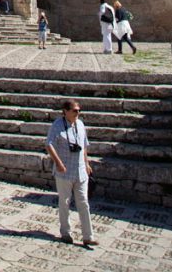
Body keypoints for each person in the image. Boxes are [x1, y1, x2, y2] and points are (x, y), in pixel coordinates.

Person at [46, 100, 98, 246]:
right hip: (64, 171)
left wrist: (87, 163)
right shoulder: (57, 125)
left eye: (79, 110)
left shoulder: (80, 124)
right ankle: (65, 232)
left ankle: (88, 236)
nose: (78, 113)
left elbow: (84, 145)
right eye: (75, 110)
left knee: (83, 202)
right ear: (66, 111)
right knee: (64, 202)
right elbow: (49, 144)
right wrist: (58, 163)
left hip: (80, 170)